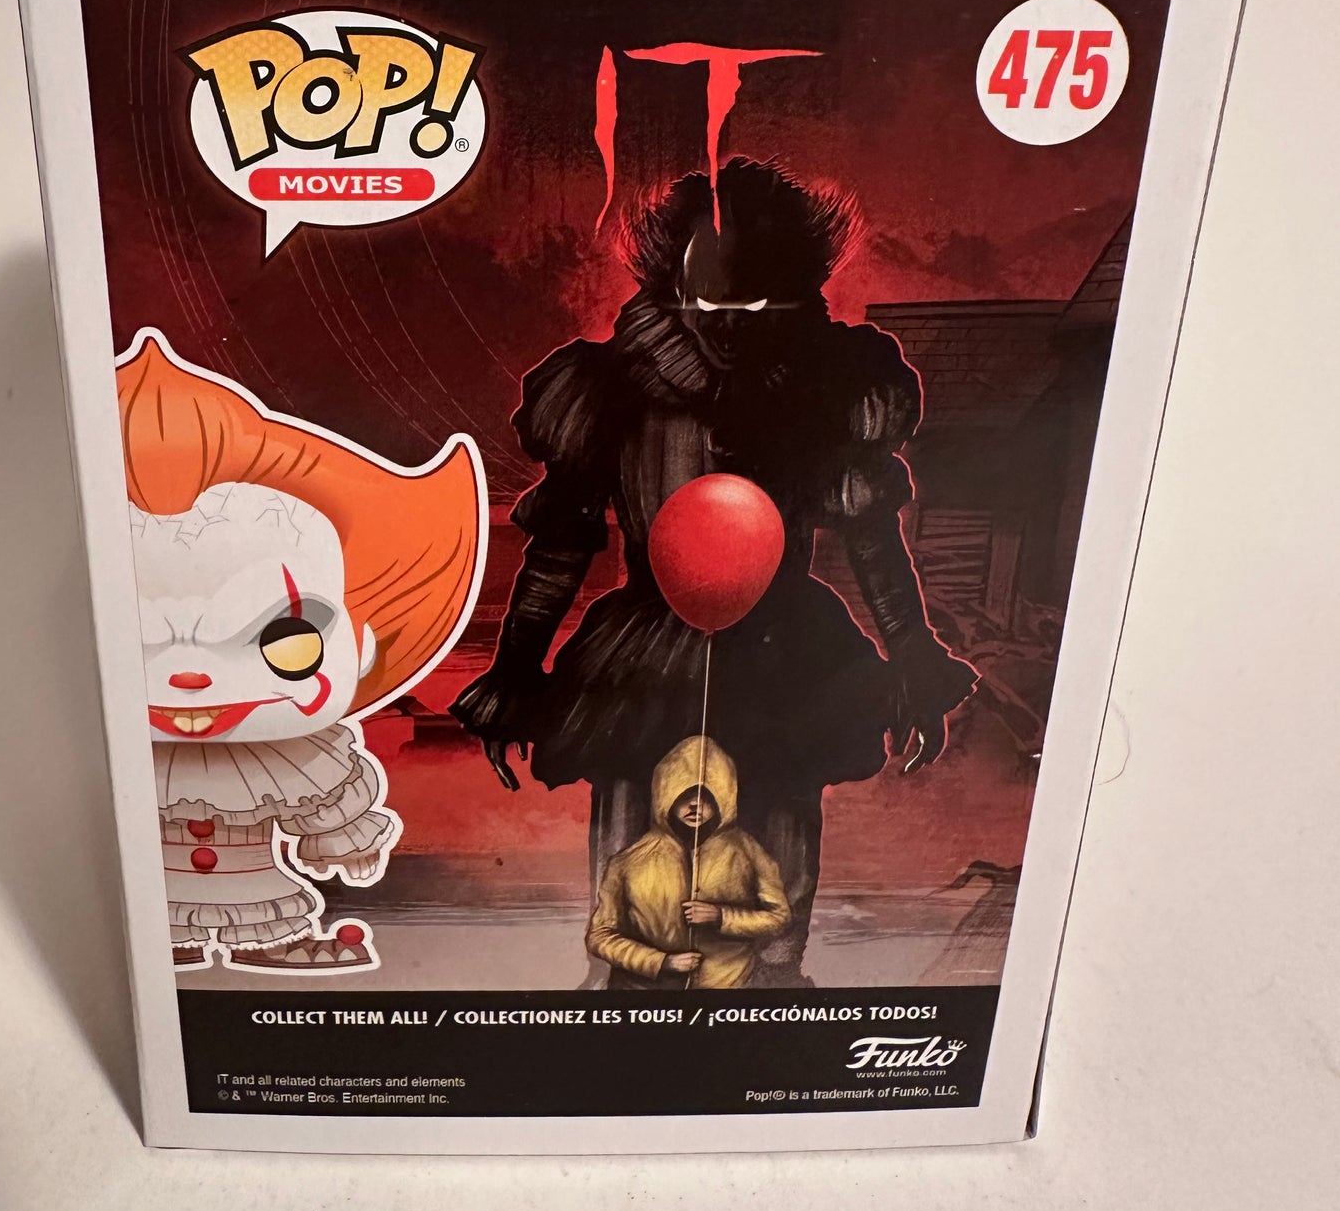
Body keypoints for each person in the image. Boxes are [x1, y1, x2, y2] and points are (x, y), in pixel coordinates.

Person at [453, 158, 978, 984]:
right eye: (709, 304)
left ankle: (772, 988)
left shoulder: (827, 386)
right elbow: (560, 541)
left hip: (784, 647)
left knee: (778, 827)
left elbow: (871, 536)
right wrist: (515, 669)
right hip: (645, 648)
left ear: (794, 295)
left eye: (756, 306)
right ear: (674, 287)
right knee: (633, 833)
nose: (730, 326)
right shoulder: (608, 389)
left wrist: (911, 653)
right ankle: (623, 992)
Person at [118, 331, 483, 972]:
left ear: (362, 643)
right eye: (126, 640)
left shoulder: (301, 759)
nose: (191, 677)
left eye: (284, 641)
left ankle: (269, 938)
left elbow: (327, 806)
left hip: (261, 889)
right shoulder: (110, 757)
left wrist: (346, 841)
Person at [586, 736, 789, 989]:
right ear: (665, 796)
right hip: (646, 995)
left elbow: (779, 918)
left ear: (723, 798)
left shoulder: (748, 852)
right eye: (685, 795)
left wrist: (722, 917)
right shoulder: (628, 862)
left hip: (727, 990)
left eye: (706, 796)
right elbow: (600, 936)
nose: (695, 804)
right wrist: (660, 962)